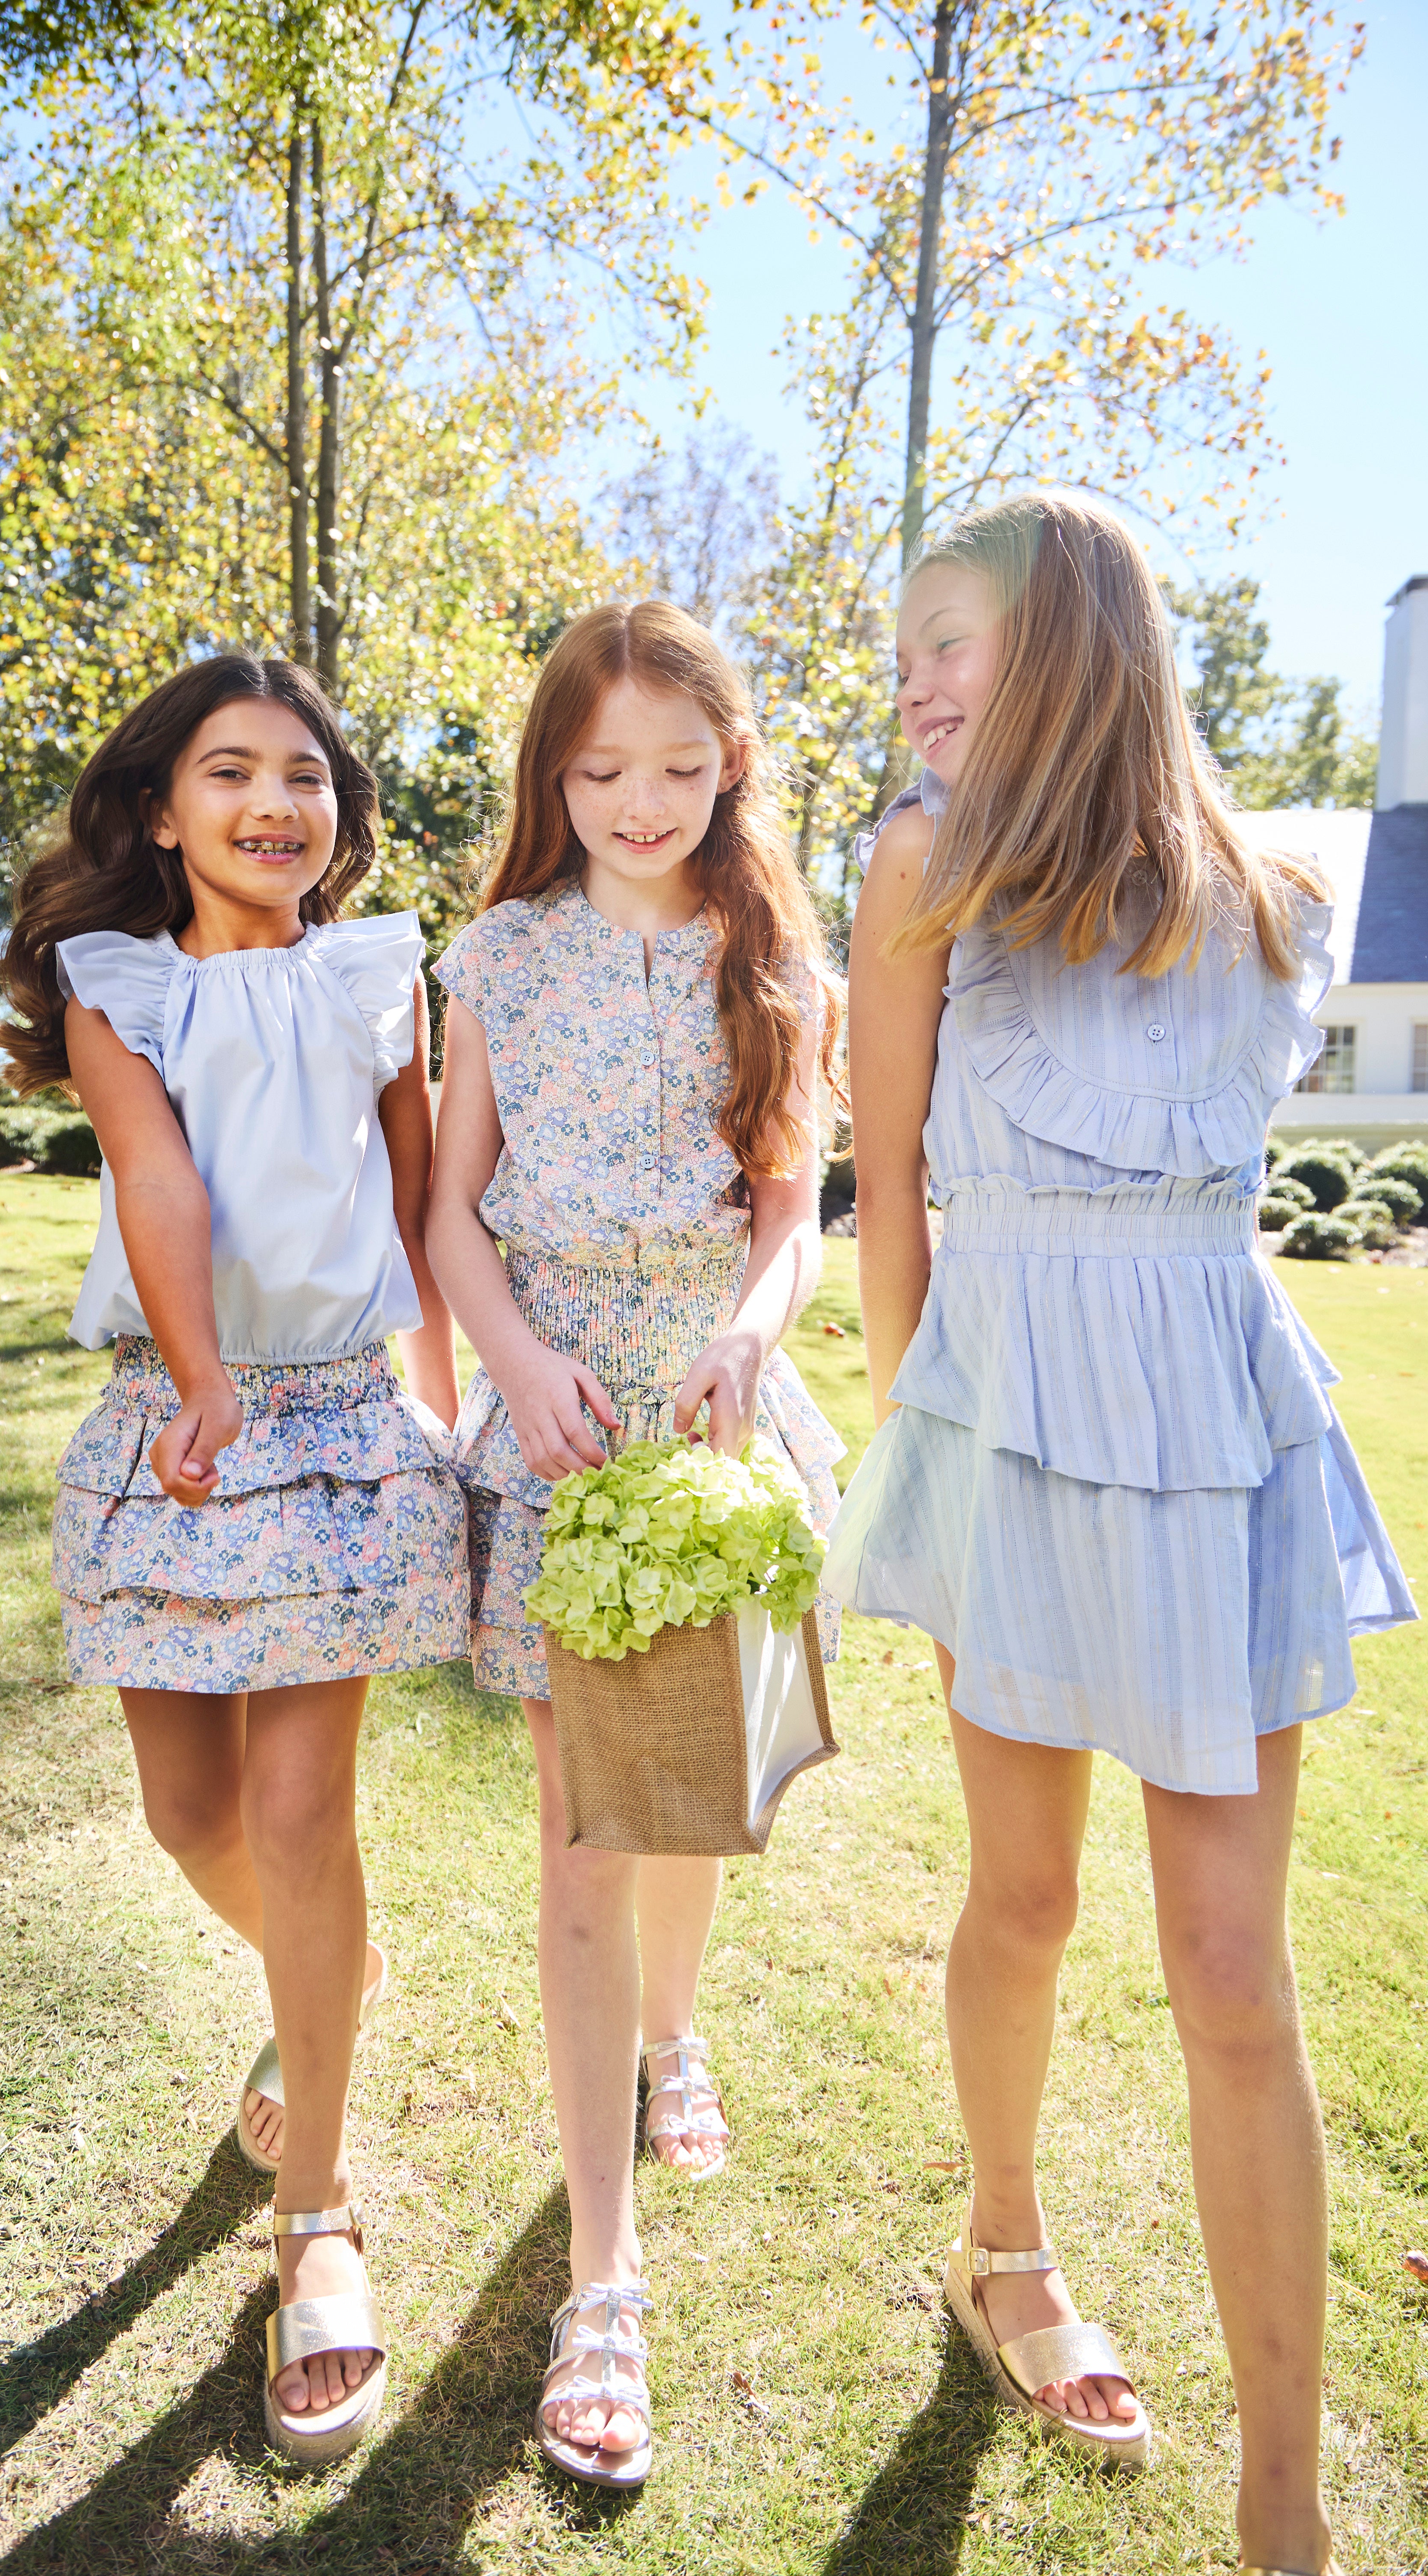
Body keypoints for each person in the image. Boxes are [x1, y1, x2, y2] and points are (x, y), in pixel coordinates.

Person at [829, 491, 1412, 2576]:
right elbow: (884, 1192)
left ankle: (1285, 2498)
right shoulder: (919, 870)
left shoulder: (1272, 893)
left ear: (1071, 644)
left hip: (1213, 1428)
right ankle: (1002, 2247)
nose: (912, 678)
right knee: (1025, 1901)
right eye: (902, 646)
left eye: (950, 639)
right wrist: (920, 1453)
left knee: (1233, 1974)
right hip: (1012, 1429)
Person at [0, 653, 466, 2467]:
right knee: (191, 1819)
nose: (277, 802)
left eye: (308, 775)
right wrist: (194, 1386)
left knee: (297, 1815)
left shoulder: (369, 974)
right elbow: (157, 1181)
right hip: (180, 1420)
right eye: (232, 770)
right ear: (160, 810)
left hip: (329, 1428)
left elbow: (420, 1194)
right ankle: (325, 1987)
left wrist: (441, 1396)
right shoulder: (120, 990)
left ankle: (317, 2215)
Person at [425, 600, 845, 2490]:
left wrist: (755, 1328)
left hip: (705, 1415)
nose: (641, 801)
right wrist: (510, 1368)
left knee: (688, 1800)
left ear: (732, 759)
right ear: (553, 775)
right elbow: (448, 1220)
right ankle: (605, 2281)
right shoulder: (496, 959)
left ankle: (679, 2033)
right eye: (601, 770)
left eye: (681, 765)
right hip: (556, 1424)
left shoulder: (777, 963)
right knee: (584, 1832)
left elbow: (791, 1213)